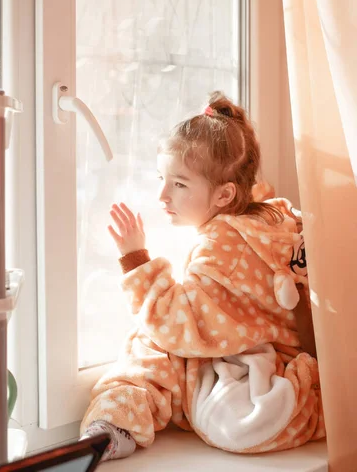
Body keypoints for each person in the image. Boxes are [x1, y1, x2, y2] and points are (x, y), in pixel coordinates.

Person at [80, 92, 325, 462]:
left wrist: (135, 257)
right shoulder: (267, 218)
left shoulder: (221, 242)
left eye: (179, 184)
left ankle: (116, 422)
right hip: (279, 357)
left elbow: (179, 325)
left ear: (225, 194)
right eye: (162, 178)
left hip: (255, 372)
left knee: (148, 344)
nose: (162, 195)